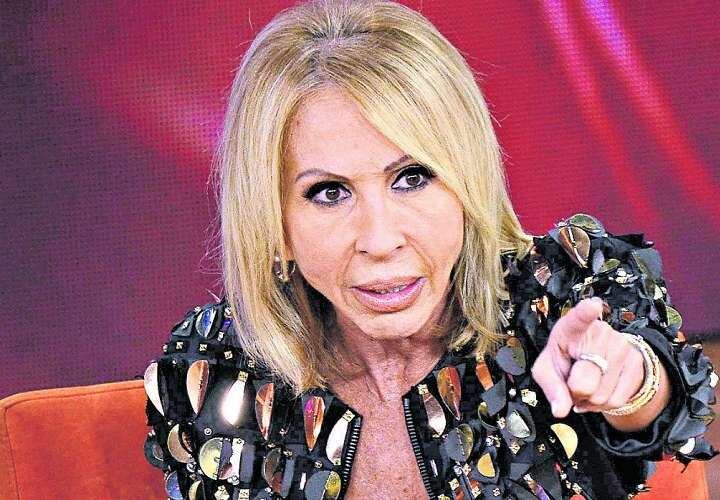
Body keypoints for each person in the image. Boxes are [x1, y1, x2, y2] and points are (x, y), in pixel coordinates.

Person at [141, 1, 717, 498]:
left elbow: (662, 397)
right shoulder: (217, 375)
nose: (380, 240)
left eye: (412, 177)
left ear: (467, 183)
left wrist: (626, 381)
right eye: (329, 192)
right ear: (273, 222)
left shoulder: (560, 291)